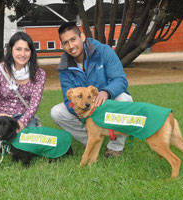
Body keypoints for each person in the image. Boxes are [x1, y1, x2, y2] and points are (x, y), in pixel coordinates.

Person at [51, 22, 133, 157]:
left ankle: (115, 147)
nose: (71, 46)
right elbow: (68, 99)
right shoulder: (64, 66)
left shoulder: (104, 51)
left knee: (125, 99)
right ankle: (91, 139)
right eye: (65, 43)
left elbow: (120, 80)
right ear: (62, 46)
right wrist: (76, 109)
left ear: (82, 37)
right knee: (57, 112)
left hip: (106, 102)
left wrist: (106, 92)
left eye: (73, 39)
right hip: (85, 106)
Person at [0, 32, 46, 147]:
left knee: (28, 143)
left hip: (24, 116)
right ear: (11, 50)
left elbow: (35, 103)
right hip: (3, 116)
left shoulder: (39, 74)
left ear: (31, 52)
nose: (22, 54)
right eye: (18, 49)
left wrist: (21, 123)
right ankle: (7, 146)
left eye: (27, 50)